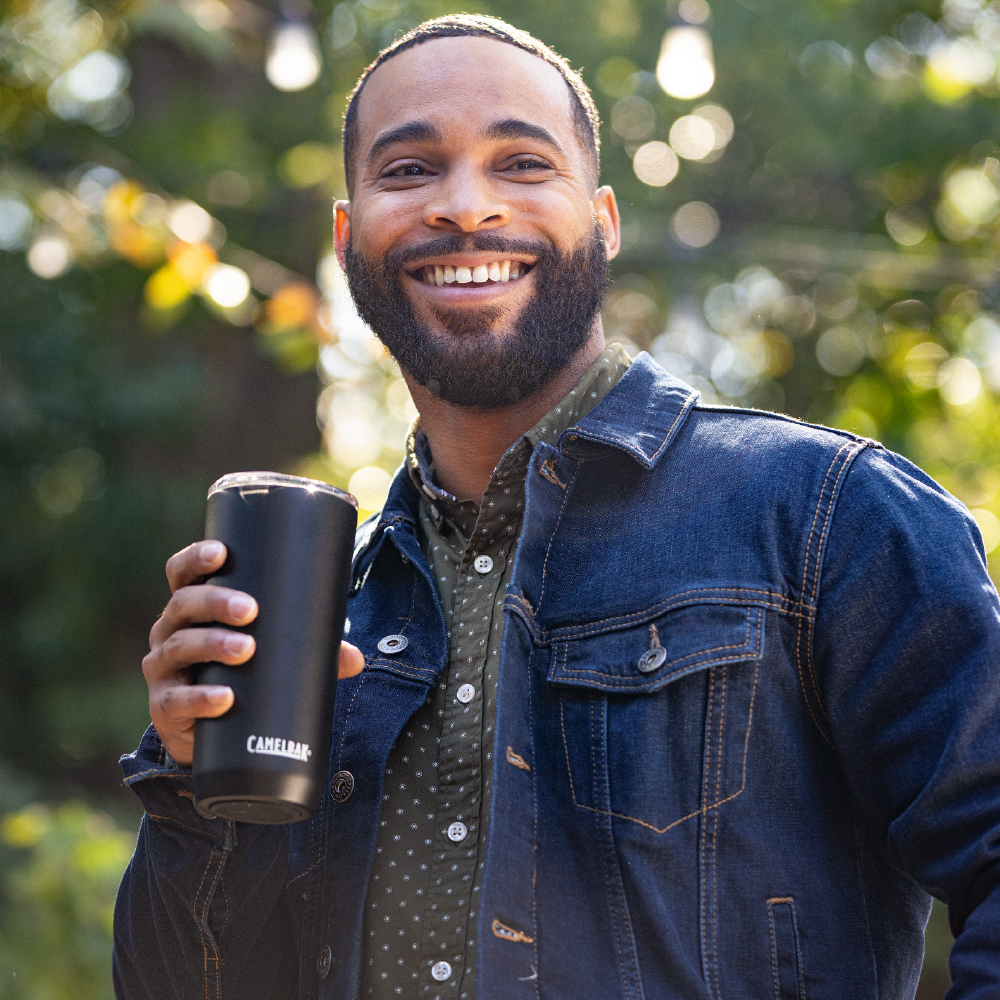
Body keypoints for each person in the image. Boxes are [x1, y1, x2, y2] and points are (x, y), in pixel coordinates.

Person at [113, 14, 1000, 1000]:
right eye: (408, 170)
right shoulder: (327, 610)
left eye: (522, 163)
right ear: (348, 232)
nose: (464, 206)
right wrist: (192, 784)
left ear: (604, 219)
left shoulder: (828, 517)